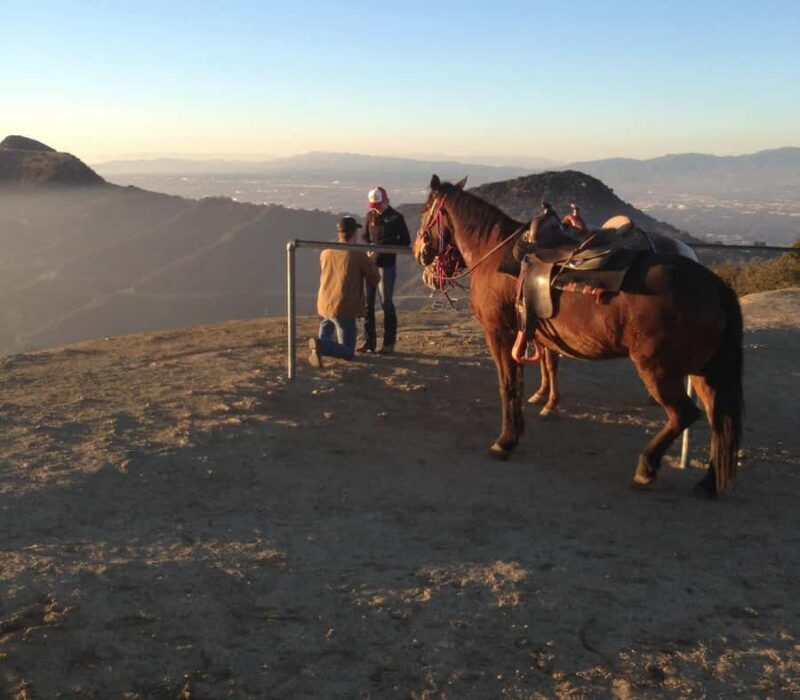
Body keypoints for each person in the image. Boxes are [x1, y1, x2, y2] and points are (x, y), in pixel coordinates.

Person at [308, 216, 380, 369]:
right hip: (344, 307)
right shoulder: (357, 254)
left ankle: (319, 348)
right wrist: (371, 261)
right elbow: (374, 279)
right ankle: (320, 346)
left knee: (327, 323)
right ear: (354, 233)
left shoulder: (326, 252)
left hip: (325, 303)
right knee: (348, 352)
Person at [358, 186, 411, 354]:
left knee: (386, 302)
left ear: (387, 201)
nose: (376, 208)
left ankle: (388, 343)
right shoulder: (370, 216)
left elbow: (405, 241)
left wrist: (384, 246)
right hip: (371, 264)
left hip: (386, 265)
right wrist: (369, 247)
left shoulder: (396, 218)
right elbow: (365, 236)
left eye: (379, 205)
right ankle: (369, 341)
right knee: (368, 304)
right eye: (374, 205)